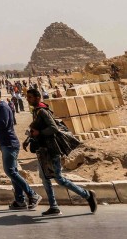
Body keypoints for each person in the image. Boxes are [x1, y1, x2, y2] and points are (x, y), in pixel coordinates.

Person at [23, 88, 96, 216]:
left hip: (52, 151)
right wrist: (28, 139)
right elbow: (37, 128)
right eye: (27, 97)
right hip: (43, 151)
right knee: (45, 178)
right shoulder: (36, 111)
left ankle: (87, 195)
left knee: (59, 179)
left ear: (37, 98)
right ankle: (54, 206)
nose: (27, 99)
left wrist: (40, 133)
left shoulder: (42, 111)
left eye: (29, 97)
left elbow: (53, 128)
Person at [0, 87, 38, 210]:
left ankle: (32, 194)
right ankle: (20, 200)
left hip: (9, 143)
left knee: (10, 171)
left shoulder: (2, 106)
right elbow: (1, 120)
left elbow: (3, 124)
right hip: (6, 143)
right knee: (13, 172)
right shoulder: (0, 106)